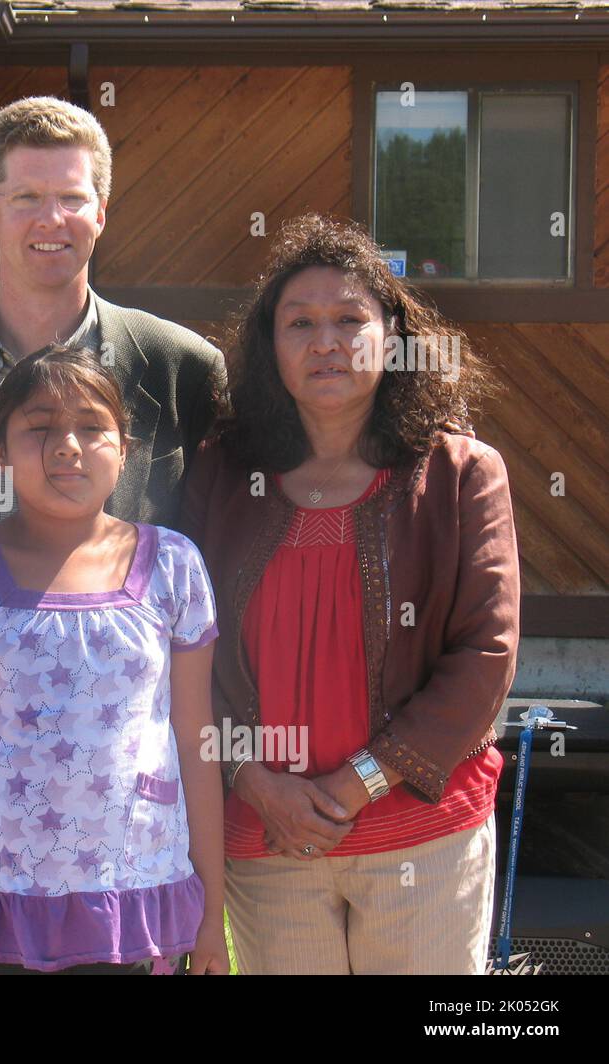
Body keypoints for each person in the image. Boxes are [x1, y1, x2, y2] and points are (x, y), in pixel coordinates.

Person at [0, 94, 225, 973]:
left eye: (71, 197)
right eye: (26, 197)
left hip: (120, 842)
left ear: (102, 211)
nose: (50, 220)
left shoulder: (181, 370)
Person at [179, 214, 520, 975]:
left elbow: (485, 656)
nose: (325, 341)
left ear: (392, 336)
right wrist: (251, 779)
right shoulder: (223, 475)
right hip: (268, 836)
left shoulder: (462, 475)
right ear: (271, 347)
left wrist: (358, 782)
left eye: (349, 319)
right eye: (299, 323)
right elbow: (184, 649)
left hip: (421, 836)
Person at [0, 345, 229, 975]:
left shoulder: (174, 569)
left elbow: (195, 743)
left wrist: (209, 917)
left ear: (125, 448)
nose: (68, 445)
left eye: (92, 426)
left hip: (131, 899)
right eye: (40, 428)